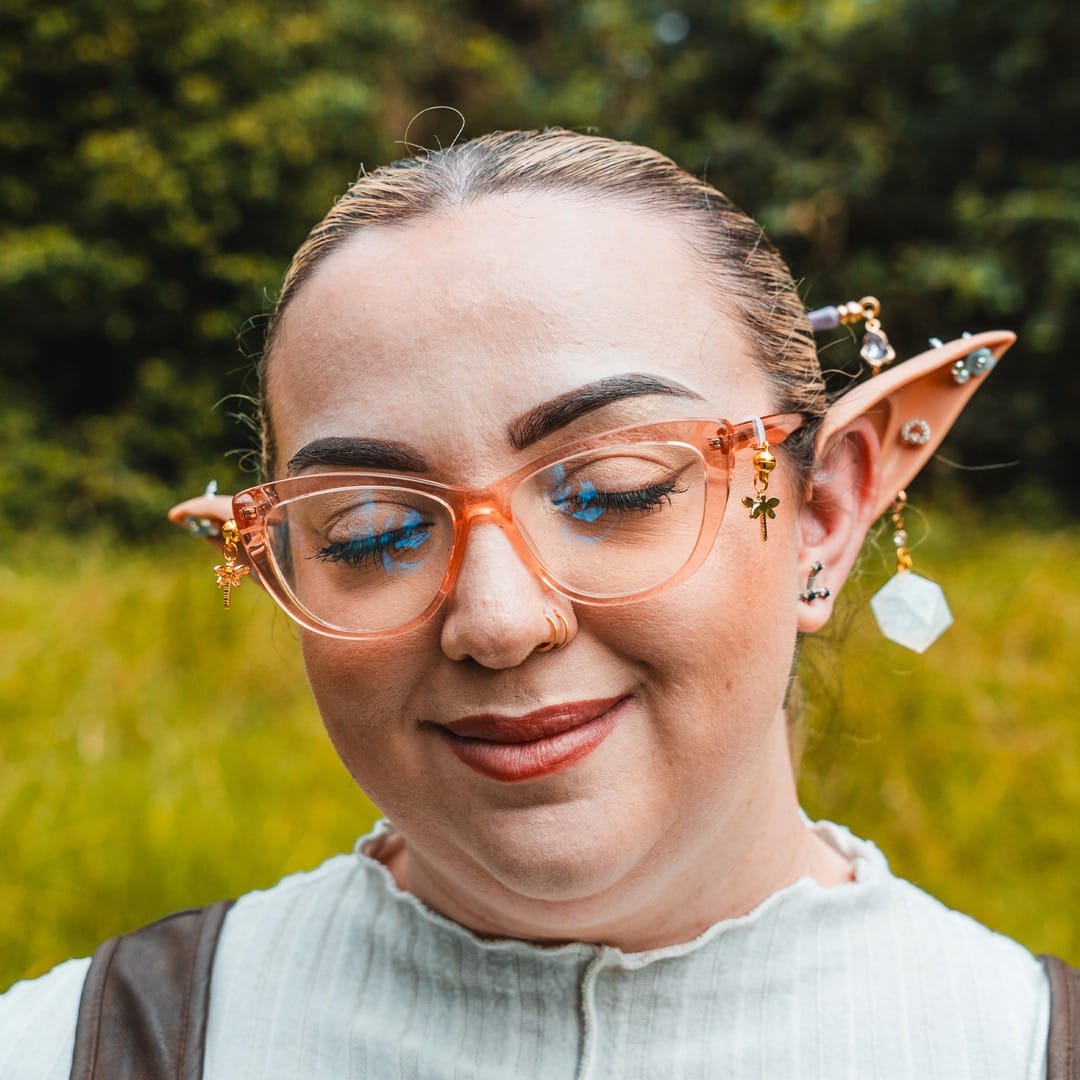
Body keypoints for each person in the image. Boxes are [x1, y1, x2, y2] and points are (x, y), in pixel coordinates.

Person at [0, 128, 1068, 1078]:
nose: (500, 621)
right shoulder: (69, 1050)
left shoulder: (1020, 1045)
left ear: (823, 516)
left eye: (616, 491)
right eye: (370, 531)